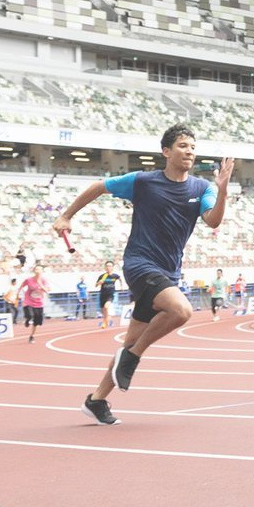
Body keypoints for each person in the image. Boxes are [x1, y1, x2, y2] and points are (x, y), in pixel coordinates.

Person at [54, 125, 233, 425]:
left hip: (168, 272)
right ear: (166, 151)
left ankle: (96, 400)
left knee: (130, 342)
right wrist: (66, 215)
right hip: (140, 265)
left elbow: (213, 221)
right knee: (181, 310)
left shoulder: (203, 188)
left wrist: (223, 188)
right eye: (183, 146)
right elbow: (99, 186)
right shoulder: (143, 182)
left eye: (193, 147)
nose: (189, 151)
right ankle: (134, 356)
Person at [19, 264, 48, 343]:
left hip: (39, 303)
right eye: (36, 269)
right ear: (34, 271)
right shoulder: (29, 280)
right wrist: (18, 294)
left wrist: (40, 284)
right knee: (30, 315)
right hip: (29, 301)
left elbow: (47, 290)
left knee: (37, 322)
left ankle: (31, 336)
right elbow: (21, 286)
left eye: (40, 269)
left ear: (42, 271)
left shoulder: (44, 280)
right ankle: (27, 319)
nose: (38, 271)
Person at [96, 262, 120, 329]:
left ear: (112, 267)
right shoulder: (102, 276)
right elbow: (96, 285)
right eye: (107, 266)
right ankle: (106, 321)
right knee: (103, 310)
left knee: (106, 307)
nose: (108, 267)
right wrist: (99, 283)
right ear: (105, 267)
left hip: (110, 295)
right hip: (102, 295)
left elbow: (120, 279)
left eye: (110, 266)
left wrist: (122, 286)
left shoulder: (115, 276)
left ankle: (105, 322)